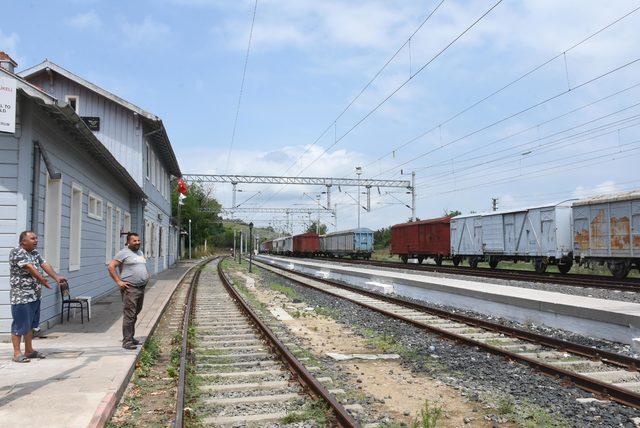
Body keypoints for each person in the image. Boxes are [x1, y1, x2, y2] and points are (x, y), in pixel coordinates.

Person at [9, 231, 67, 362]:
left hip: (34, 296)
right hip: (21, 296)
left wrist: (56, 277)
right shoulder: (17, 252)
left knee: (30, 324)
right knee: (19, 324)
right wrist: (43, 280)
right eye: (32, 238)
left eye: (36, 238)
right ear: (23, 241)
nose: (36, 240)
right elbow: (29, 267)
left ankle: (29, 351)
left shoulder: (34, 253)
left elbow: (44, 264)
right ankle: (17, 354)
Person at [107, 232, 149, 350]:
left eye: (138, 240)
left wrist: (147, 275)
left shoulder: (140, 252)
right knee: (130, 314)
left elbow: (142, 266)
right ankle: (127, 341)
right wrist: (119, 282)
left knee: (136, 312)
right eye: (134, 241)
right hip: (130, 288)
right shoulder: (123, 253)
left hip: (141, 287)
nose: (137, 243)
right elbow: (111, 267)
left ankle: (131, 336)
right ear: (128, 242)